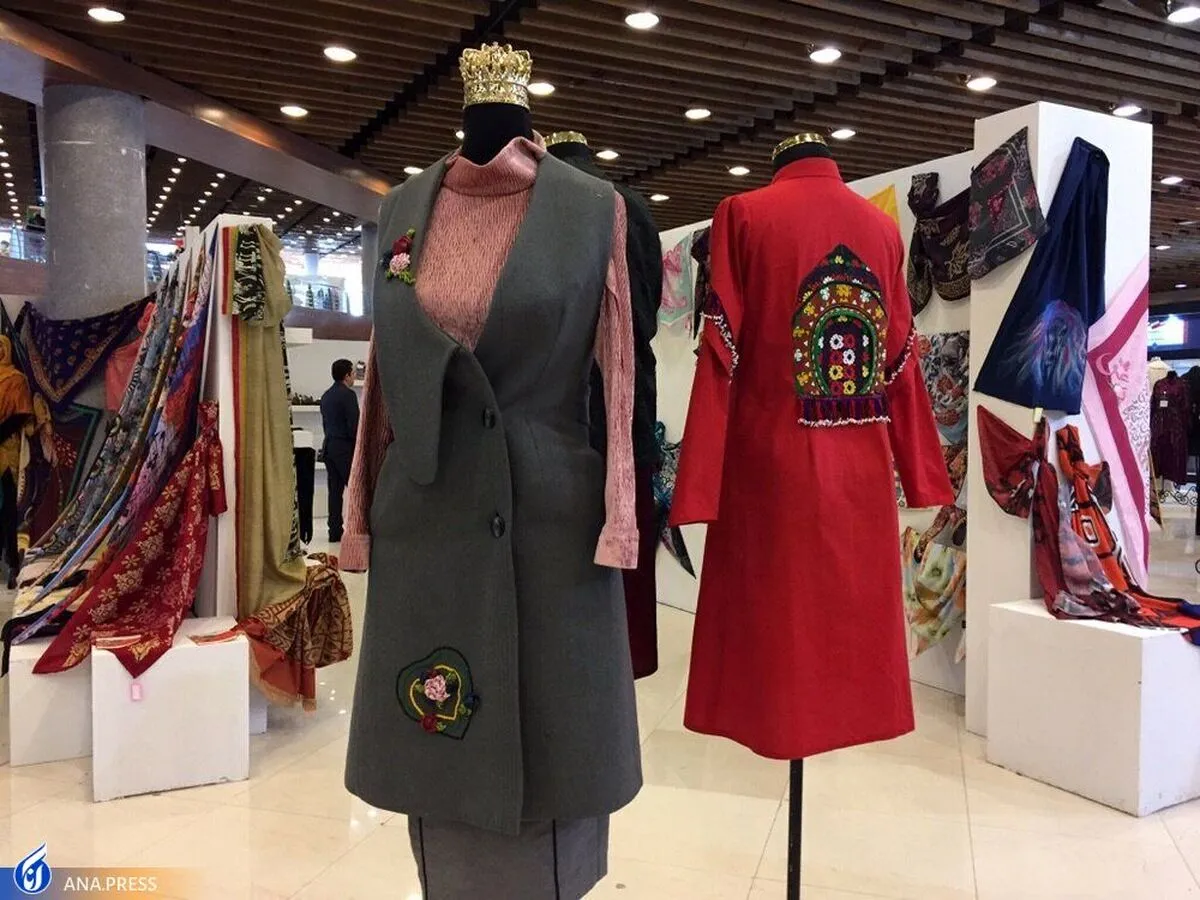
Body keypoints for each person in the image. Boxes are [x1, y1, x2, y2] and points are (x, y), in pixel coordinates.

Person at [320, 358, 359, 543]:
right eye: (353, 373)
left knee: (334, 492)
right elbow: (354, 425)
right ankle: (359, 528)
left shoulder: (326, 396)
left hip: (329, 446)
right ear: (347, 375)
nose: (354, 377)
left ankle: (334, 531)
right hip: (345, 447)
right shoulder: (348, 395)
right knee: (357, 488)